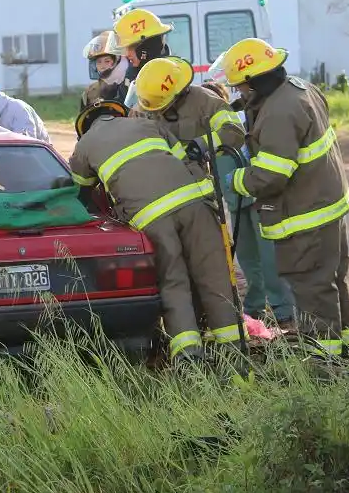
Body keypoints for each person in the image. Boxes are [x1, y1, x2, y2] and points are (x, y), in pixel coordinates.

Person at [69, 100, 243, 363]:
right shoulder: (147, 123)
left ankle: (188, 358)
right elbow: (187, 161)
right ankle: (236, 354)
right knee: (215, 277)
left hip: (151, 218)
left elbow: (81, 193)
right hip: (194, 205)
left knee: (173, 283)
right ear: (119, 114)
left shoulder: (84, 146)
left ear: (85, 126)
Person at [222, 38, 349, 358]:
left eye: (242, 87)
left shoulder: (278, 113)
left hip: (305, 216)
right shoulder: (301, 88)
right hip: (328, 207)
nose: (241, 93)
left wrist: (237, 180)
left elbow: (271, 176)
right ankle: (345, 348)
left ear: (255, 81)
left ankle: (325, 366)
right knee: (332, 282)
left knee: (311, 290)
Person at [202, 74, 297, 328]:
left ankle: (283, 310)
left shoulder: (241, 122)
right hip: (235, 205)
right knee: (247, 260)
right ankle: (253, 308)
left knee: (269, 258)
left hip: (256, 200)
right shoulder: (206, 136)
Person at [131, 56, 246, 159]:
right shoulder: (146, 105)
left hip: (198, 175)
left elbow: (234, 132)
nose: (157, 113)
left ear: (176, 95)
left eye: (161, 108)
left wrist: (201, 146)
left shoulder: (203, 100)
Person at [113, 7, 174, 98]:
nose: (126, 54)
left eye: (130, 48)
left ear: (147, 47)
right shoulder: (129, 74)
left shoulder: (173, 75)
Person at [79, 31, 129, 112]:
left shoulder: (126, 88)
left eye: (107, 61)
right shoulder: (89, 92)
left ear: (115, 63)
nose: (102, 66)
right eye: (99, 62)